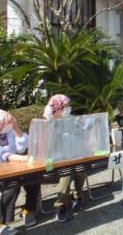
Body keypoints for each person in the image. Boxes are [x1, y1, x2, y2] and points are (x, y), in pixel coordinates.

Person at [44, 94, 86, 222]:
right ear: (58, 107)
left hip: (72, 155)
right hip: (53, 160)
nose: (69, 108)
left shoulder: (70, 120)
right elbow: (49, 146)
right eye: (66, 106)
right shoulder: (48, 123)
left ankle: (78, 197)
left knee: (80, 169)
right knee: (66, 172)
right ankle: (60, 205)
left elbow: (80, 136)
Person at [0, 110, 39, 234]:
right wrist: (18, 158)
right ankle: (2, 222)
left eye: (9, 122)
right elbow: (4, 154)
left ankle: (29, 209)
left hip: (13, 167)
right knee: (12, 186)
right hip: (4, 170)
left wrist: (16, 128)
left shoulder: (10, 132)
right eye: (5, 122)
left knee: (33, 179)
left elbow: (22, 146)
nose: (7, 124)